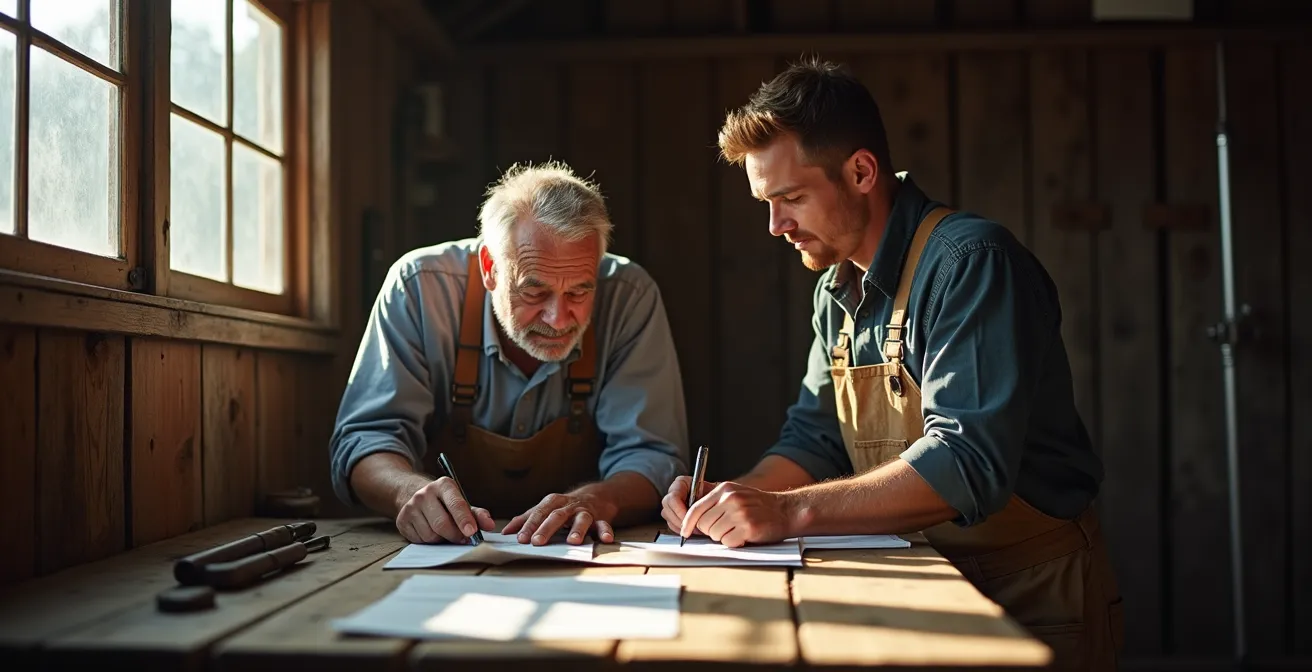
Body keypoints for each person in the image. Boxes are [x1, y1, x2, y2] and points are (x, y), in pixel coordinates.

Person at [661, 57, 1122, 669]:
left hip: (1031, 593)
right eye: (765, 203)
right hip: (916, 580)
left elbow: (966, 463)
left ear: (860, 171)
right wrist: (732, 498)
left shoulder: (971, 264)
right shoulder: (833, 290)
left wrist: (786, 511)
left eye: (791, 197)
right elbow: (816, 440)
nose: (775, 227)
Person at [331, 160, 688, 548]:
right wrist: (406, 491)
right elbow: (366, 439)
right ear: (490, 268)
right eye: (534, 292)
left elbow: (653, 456)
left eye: (579, 292)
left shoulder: (630, 297)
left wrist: (597, 499)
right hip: (450, 551)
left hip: (579, 549)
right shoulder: (419, 290)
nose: (557, 318)